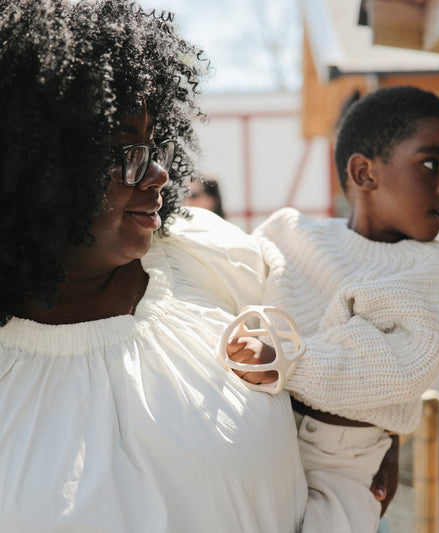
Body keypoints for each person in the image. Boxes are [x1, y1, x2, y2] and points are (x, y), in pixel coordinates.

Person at [0, 1, 312, 531]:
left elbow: (343, 357)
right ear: (37, 173)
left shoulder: (211, 258)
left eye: (154, 144)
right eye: (125, 153)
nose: (161, 174)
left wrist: (365, 433)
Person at [224, 86, 439, 532]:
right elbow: (231, 283)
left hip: (344, 464)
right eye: (431, 163)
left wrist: (289, 362)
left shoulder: (435, 267)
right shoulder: (291, 232)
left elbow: (400, 368)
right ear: (364, 173)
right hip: (258, 428)